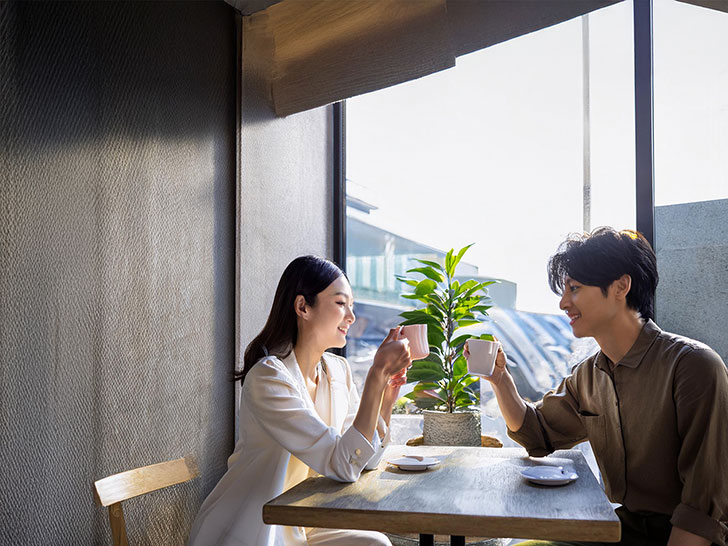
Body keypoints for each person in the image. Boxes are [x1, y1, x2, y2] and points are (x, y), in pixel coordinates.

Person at [480, 227, 728, 546]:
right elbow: (536, 434)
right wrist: (500, 380)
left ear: (621, 287)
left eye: (576, 288)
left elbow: (701, 511)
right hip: (621, 527)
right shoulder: (589, 375)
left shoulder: (693, 366)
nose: (563, 303)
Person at [188, 255, 411, 546]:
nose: (351, 317)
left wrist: (384, 399)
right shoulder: (269, 378)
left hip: (301, 524)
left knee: (375, 543)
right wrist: (376, 375)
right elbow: (343, 465)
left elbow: (362, 460)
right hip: (253, 527)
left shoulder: (337, 371)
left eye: (352, 306)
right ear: (303, 307)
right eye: (341, 303)